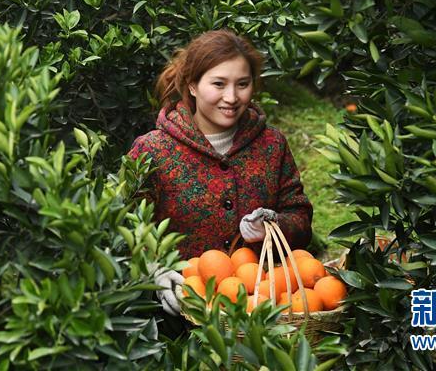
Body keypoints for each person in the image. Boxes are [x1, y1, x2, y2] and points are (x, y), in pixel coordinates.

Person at [127, 29, 313, 316]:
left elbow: (300, 220)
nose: (231, 97)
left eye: (242, 84)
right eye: (218, 84)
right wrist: (153, 271)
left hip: (260, 313)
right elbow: (123, 229)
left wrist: (270, 227)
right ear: (192, 85)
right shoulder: (154, 151)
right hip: (177, 317)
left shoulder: (270, 145)